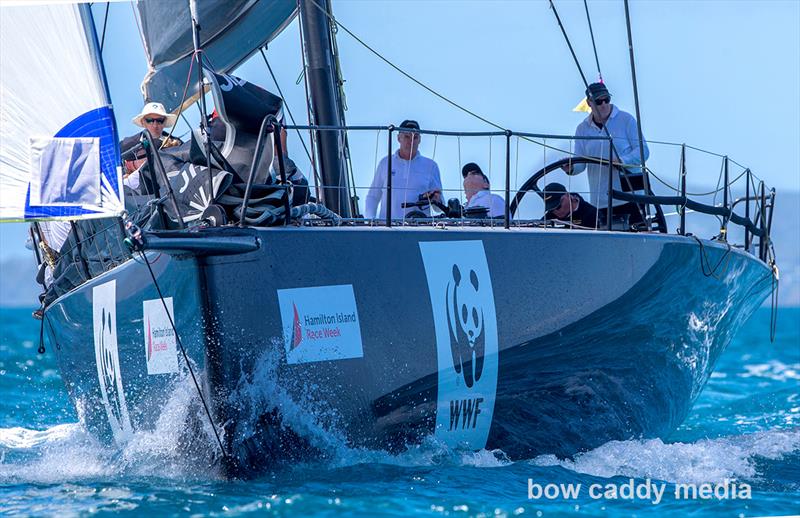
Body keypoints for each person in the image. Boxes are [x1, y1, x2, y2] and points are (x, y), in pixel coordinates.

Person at [562, 82, 648, 226]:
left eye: (606, 100)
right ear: (589, 103)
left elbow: (643, 151)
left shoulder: (626, 120)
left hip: (630, 197)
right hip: (600, 201)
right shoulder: (582, 129)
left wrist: (620, 160)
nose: (603, 104)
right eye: (598, 101)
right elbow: (581, 164)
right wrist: (570, 168)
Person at [364, 120, 442, 219]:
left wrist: (436, 199)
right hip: (388, 229)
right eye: (407, 136)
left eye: (415, 137)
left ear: (420, 140)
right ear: (398, 138)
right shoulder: (385, 163)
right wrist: (371, 221)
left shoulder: (431, 166)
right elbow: (373, 197)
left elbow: (438, 208)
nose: (411, 141)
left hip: (420, 229)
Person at [120, 102, 183, 192]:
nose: (155, 125)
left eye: (159, 120)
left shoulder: (177, 144)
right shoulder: (125, 145)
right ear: (143, 122)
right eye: (150, 120)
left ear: (164, 122)